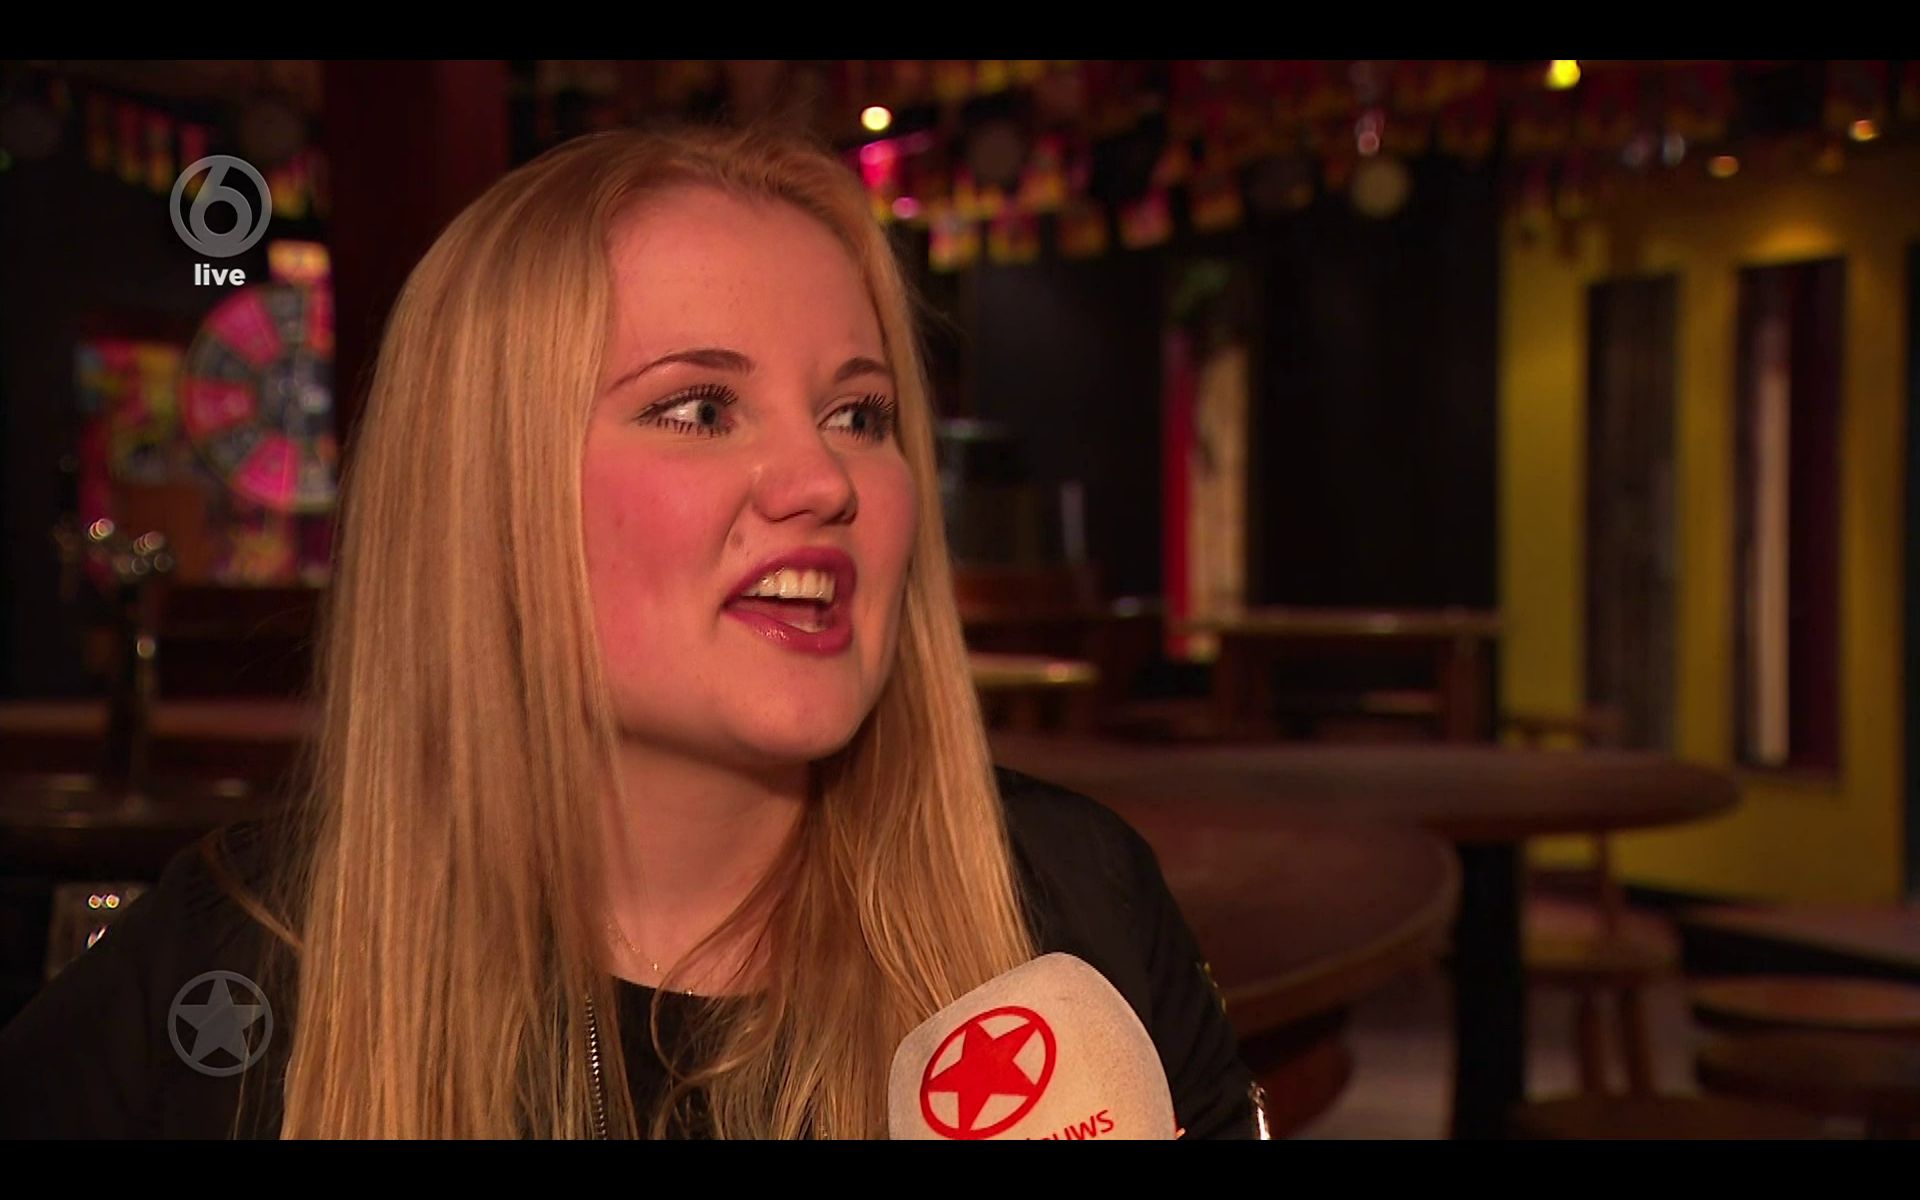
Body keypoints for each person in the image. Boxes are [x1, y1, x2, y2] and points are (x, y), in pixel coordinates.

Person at [0, 124, 1260, 1139]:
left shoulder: (1076, 906)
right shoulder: (229, 969)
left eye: (860, 415)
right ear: (488, 494)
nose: (821, 480)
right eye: (700, 407)